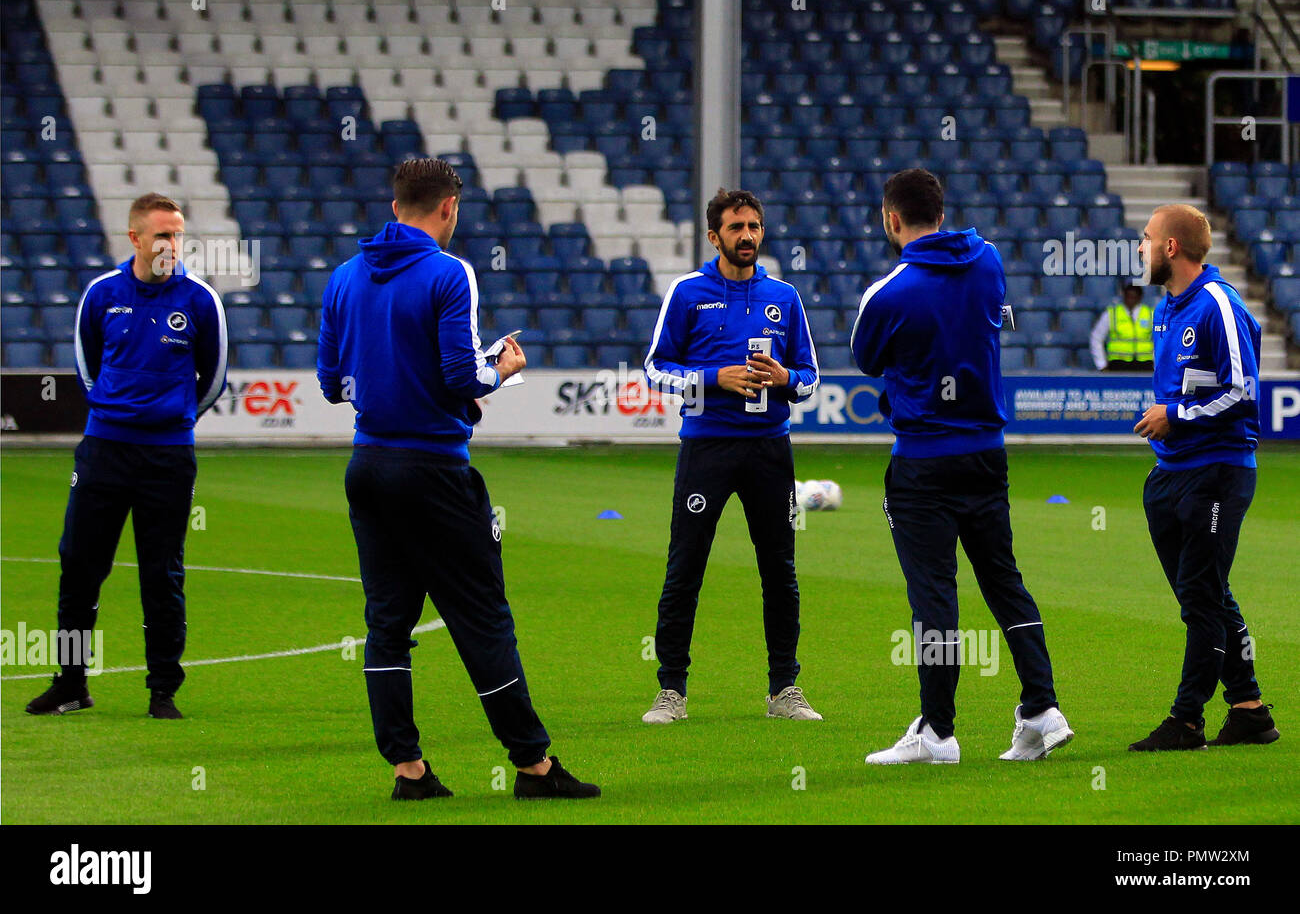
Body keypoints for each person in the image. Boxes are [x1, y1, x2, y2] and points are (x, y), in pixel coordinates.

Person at [316, 157, 599, 800]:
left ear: (395, 206)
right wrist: (500, 370)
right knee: (482, 618)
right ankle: (532, 766)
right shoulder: (450, 273)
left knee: (387, 622)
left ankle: (407, 771)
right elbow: (458, 377)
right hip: (435, 472)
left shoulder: (342, 277)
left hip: (367, 467)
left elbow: (332, 383)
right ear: (448, 207)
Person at [850, 168, 1073, 764]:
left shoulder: (888, 293)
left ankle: (939, 733)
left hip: (923, 463)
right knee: (1004, 581)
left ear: (891, 219)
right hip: (986, 455)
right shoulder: (990, 261)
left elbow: (868, 358)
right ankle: (1041, 708)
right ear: (941, 213)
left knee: (935, 598)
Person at [25, 193, 228, 720]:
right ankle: (70, 683)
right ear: (135, 238)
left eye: (178, 234)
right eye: (162, 235)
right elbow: (88, 369)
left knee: (162, 574)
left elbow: (214, 378)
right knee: (79, 568)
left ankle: (163, 690)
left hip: (167, 459)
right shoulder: (101, 294)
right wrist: (114, 417)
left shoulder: (201, 300)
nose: (171, 244)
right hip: (103, 452)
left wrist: (176, 420)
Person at [641, 188, 822, 724]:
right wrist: (711, 378)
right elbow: (655, 369)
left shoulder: (785, 298)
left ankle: (784, 689)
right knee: (685, 569)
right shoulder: (688, 292)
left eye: (755, 227)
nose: (747, 236)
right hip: (707, 447)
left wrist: (787, 379)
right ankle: (671, 690)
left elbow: (811, 379)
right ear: (714, 235)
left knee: (780, 570)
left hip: (770, 449)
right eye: (737, 227)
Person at [1130, 203, 1278, 751]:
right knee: (1208, 595)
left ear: (1171, 248)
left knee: (1201, 596)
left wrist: (1177, 416)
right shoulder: (1165, 309)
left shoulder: (1218, 304)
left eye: (1147, 239)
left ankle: (1186, 719)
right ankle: (1249, 710)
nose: (1141, 248)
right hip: (1172, 474)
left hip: (1217, 472)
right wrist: (1166, 418)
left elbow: (1244, 392)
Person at [1090, 281, 1155, 371]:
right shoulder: (1112, 314)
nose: (1130, 300)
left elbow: (1161, 340)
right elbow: (1096, 337)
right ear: (1123, 296)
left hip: (1145, 364)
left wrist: (1157, 364)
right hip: (1118, 364)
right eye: (1128, 297)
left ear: (1140, 298)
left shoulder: (1150, 314)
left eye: (1134, 297)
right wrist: (1101, 365)